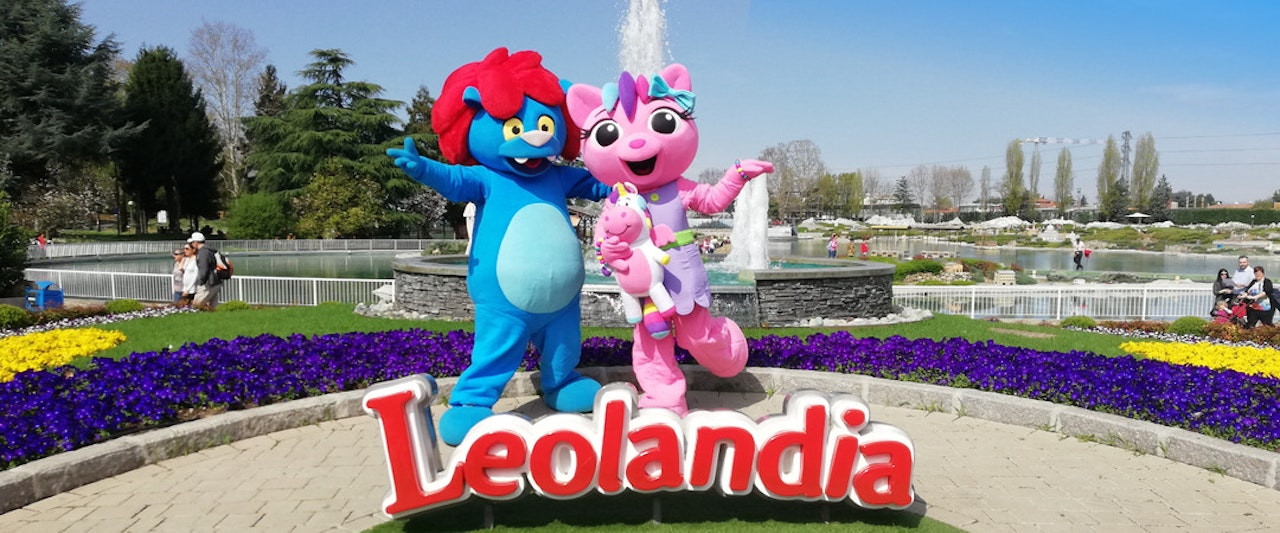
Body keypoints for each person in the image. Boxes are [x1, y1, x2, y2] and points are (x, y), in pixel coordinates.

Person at [189, 231, 222, 309]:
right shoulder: (209, 250)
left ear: (196, 242)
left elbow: (204, 269)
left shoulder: (203, 253)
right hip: (215, 281)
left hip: (208, 283)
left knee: (196, 306)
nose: (192, 244)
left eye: (192, 242)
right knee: (213, 307)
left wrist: (201, 282)